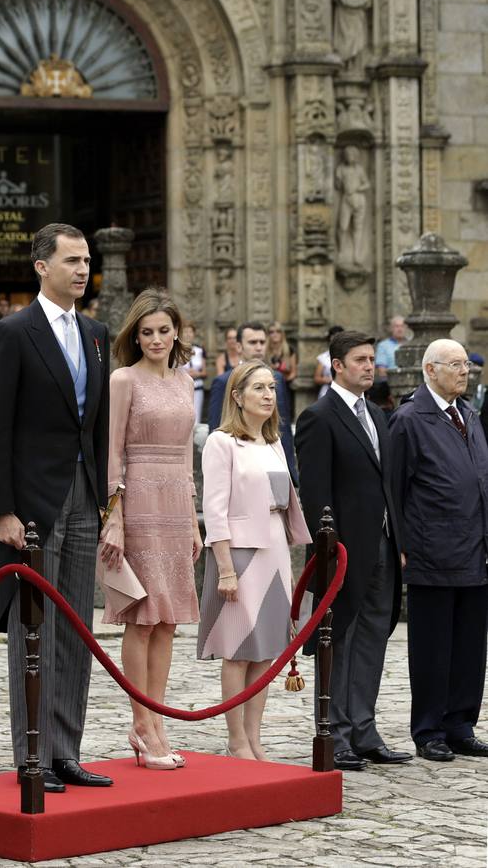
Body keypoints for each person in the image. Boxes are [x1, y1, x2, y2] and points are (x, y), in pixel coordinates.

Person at [0, 223, 112, 793]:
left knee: (76, 627)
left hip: (83, 495)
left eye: (87, 261)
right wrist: (0, 510)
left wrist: (105, 500)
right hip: (30, 506)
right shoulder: (11, 333)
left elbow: (97, 424)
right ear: (41, 266)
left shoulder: (96, 333)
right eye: (72, 260)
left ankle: (65, 752)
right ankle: (32, 753)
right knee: (35, 630)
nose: (82, 270)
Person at [295, 330, 410, 771]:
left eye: (371, 359)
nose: (369, 366)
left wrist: (399, 541)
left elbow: (387, 483)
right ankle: (337, 734)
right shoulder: (318, 417)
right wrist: (328, 551)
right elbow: (316, 494)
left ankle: (365, 731)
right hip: (342, 551)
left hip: (384, 544)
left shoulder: (378, 415)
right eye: (361, 360)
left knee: (374, 637)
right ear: (338, 366)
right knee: (339, 638)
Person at [100, 289, 202, 769]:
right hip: (138, 498)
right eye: (147, 332)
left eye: (163, 330)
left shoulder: (186, 381)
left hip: (177, 504)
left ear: (176, 332)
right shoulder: (123, 379)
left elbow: (186, 454)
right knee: (142, 617)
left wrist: (193, 519)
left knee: (168, 620)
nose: (156, 339)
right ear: (135, 336)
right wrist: (114, 517)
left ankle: (158, 720)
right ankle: (141, 723)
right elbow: (112, 451)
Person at [199, 361, 311, 760]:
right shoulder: (222, 442)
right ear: (237, 396)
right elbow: (215, 510)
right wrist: (225, 569)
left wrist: (291, 564)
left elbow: (283, 505)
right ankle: (236, 741)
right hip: (240, 554)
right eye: (259, 388)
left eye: (271, 388)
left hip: (275, 549)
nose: (268, 395)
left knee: (265, 650)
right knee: (239, 647)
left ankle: (254, 738)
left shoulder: (275, 441)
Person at [388, 340, 488, 762]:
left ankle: (461, 724)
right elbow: (394, 489)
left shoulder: (469, 415)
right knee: (433, 646)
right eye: (455, 364)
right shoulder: (409, 419)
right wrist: (402, 545)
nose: (465, 371)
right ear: (430, 369)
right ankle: (429, 729)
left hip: (475, 549)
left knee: (470, 645)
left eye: (466, 364)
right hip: (432, 550)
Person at [208, 322, 298, 485]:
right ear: (239, 346)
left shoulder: (277, 378)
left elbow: (283, 425)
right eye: (252, 342)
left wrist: (290, 469)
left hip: (276, 464)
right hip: (242, 471)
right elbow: (217, 425)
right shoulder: (224, 382)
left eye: (262, 342)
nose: (258, 347)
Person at [180, 321, 207, 423]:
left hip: (197, 387)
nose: (188, 334)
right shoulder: (176, 351)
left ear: (194, 334)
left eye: (190, 332)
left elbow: (205, 373)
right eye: (185, 332)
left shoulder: (200, 350)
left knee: (196, 417)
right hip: (182, 387)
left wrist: (197, 374)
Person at [314, 325, 344, 399]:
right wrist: (331, 380)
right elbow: (317, 378)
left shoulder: (348, 355)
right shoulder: (324, 357)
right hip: (327, 391)